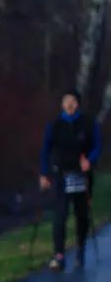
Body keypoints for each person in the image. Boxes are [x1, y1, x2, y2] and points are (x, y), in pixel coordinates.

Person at [40, 88, 102, 271]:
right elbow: (46, 150)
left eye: (73, 101)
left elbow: (98, 146)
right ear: (61, 104)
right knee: (59, 215)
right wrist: (44, 174)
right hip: (61, 174)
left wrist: (89, 161)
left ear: (78, 104)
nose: (69, 105)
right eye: (66, 101)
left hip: (82, 175)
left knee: (81, 215)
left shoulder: (89, 123)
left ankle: (81, 248)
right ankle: (59, 255)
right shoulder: (54, 125)